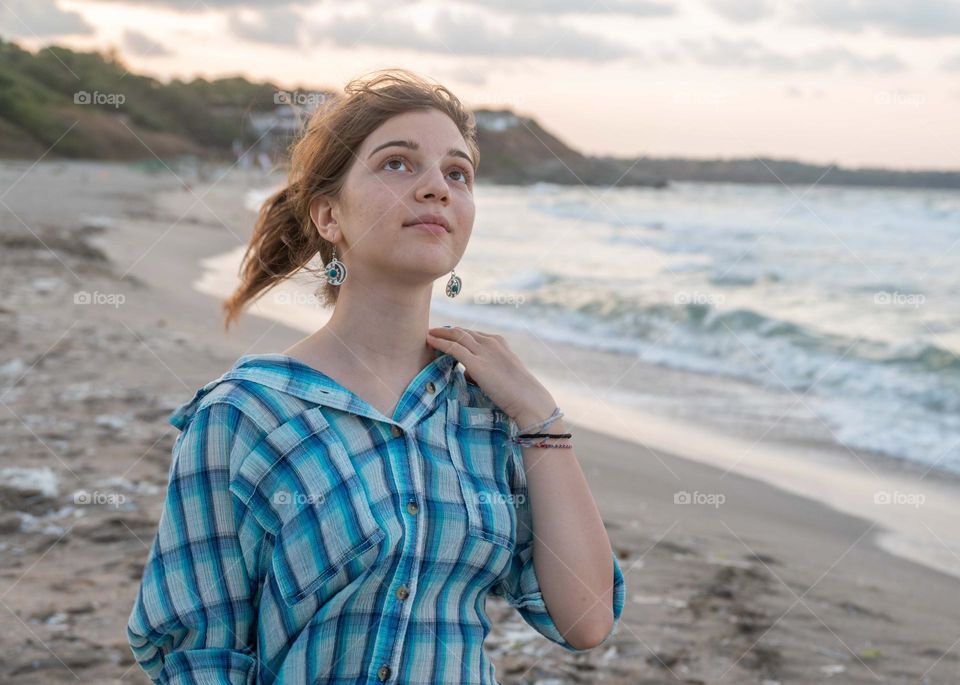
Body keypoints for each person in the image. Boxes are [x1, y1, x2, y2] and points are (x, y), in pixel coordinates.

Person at [126, 68, 625, 685]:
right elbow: (197, 656)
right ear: (329, 215)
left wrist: (541, 420)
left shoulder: (488, 411)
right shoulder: (244, 413)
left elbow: (585, 619)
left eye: (457, 173)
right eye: (397, 164)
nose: (436, 188)